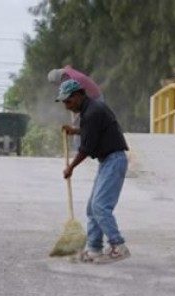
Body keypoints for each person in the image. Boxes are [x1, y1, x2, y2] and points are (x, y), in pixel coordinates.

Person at [58, 79, 131, 263]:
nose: (67, 106)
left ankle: (118, 246)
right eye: (64, 102)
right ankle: (94, 249)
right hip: (107, 161)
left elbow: (87, 148)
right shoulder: (91, 110)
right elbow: (91, 131)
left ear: (79, 95)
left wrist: (71, 168)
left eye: (68, 101)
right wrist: (75, 131)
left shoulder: (93, 112)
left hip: (114, 161)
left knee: (100, 206)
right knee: (93, 208)